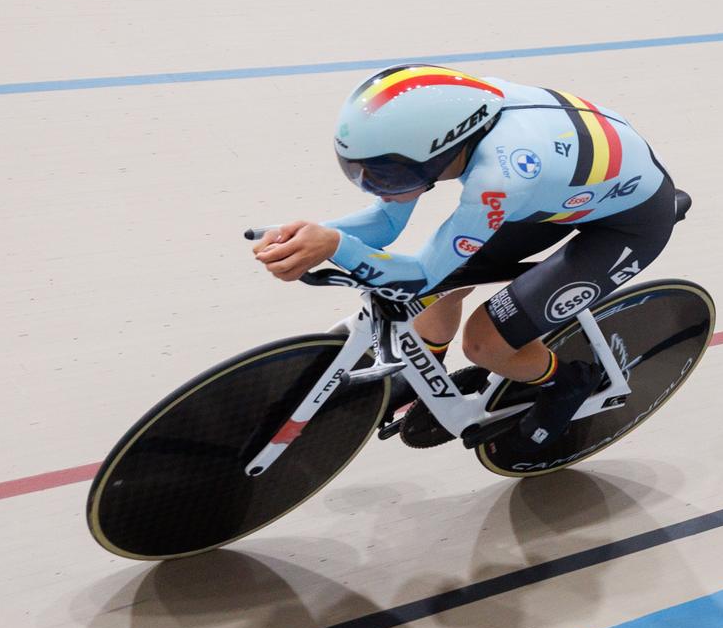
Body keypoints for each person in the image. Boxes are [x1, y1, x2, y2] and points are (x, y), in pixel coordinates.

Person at [251, 64, 678, 448]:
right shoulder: (453, 118)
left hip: (629, 223)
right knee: (440, 286)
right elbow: (387, 221)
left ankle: (567, 384)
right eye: (360, 171)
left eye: (385, 173)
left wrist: (335, 246)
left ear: (442, 149)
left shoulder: (502, 175)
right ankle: (424, 368)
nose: (375, 184)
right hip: (561, 191)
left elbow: (418, 274)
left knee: (485, 341)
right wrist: (310, 236)